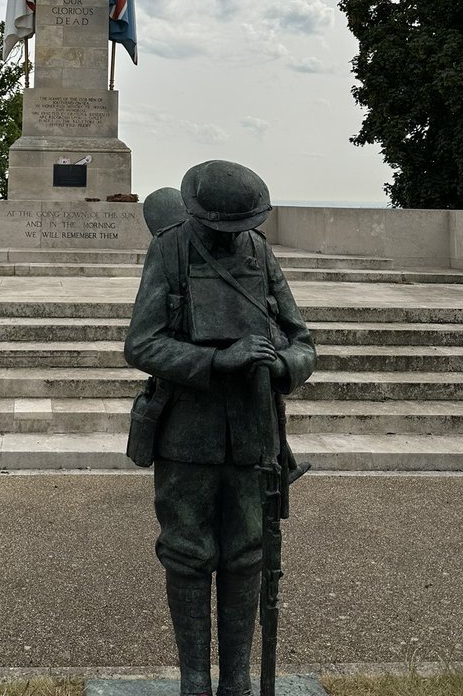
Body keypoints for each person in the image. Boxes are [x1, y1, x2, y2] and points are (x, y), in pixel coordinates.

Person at [124, 160, 316, 696]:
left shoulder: (260, 252)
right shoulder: (170, 249)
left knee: (247, 555)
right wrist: (216, 363)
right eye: (224, 228)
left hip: (254, 435)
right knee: (187, 553)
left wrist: (282, 366)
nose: (234, 238)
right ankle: (193, 681)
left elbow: (303, 341)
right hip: (188, 433)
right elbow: (140, 344)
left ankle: (236, 681)